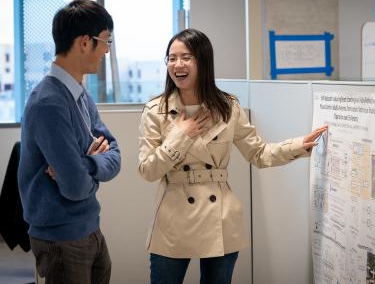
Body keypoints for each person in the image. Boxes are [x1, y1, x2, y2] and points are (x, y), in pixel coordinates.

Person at [138, 28, 327, 284]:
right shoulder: (156, 110)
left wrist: (298, 146)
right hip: (172, 220)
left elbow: (259, 153)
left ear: (203, 62)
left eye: (186, 57)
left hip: (220, 219)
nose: (177, 65)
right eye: (171, 58)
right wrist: (181, 136)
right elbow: (148, 170)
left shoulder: (228, 107)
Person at [18, 0, 121, 284]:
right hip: (61, 237)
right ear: (85, 42)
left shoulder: (80, 93)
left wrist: (84, 162)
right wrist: (88, 167)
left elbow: (115, 155)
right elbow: (75, 187)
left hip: (89, 227)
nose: (106, 51)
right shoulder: (49, 103)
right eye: (105, 42)